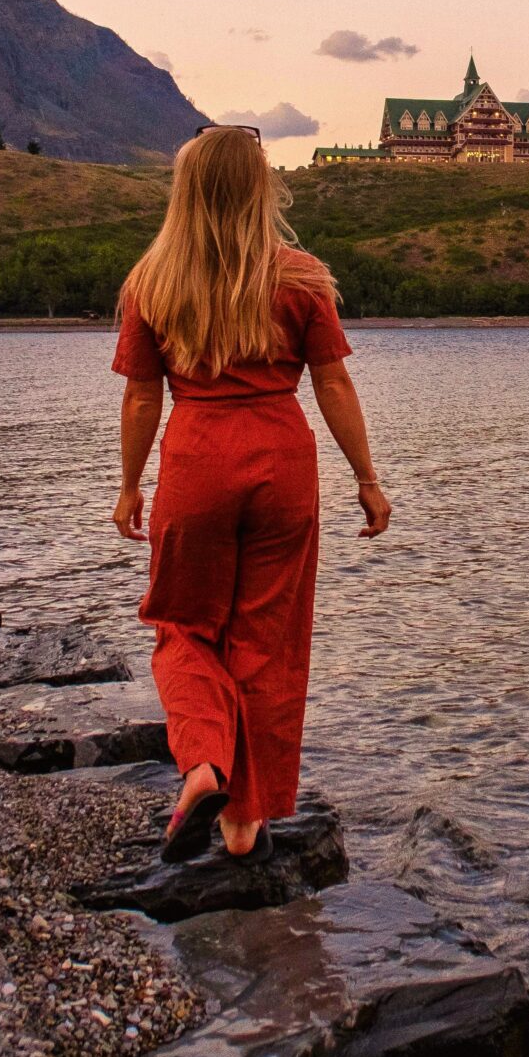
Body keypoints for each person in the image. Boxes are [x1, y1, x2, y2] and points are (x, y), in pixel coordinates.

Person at [109, 124, 390, 860]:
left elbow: (143, 397)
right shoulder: (300, 277)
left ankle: (202, 765)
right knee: (267, 643)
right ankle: (244, 825)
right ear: (261, 188)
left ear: (187, 190)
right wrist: (366, 477)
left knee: (182, 625)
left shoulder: (152, 280)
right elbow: (331, 380)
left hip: (198, 455)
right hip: (281, 458)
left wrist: (129, 485)